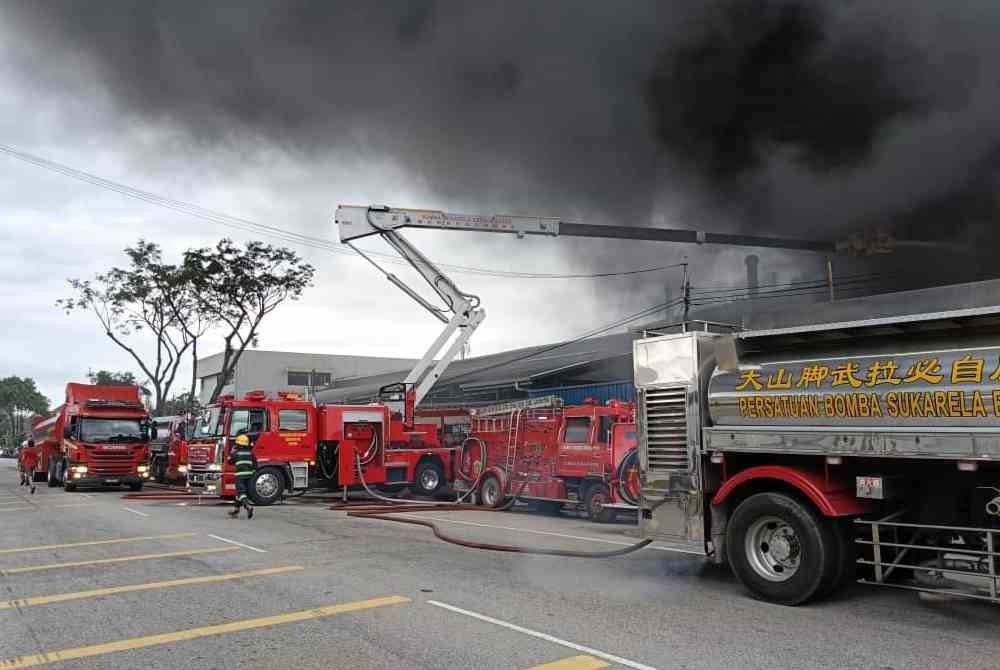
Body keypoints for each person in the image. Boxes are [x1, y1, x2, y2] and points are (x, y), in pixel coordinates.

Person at [227, 433, 257, 519]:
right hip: (249, 476)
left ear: (238, 444)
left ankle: (248, 506)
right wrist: (252, 473)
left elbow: (230, 461)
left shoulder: (237, 453)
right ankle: (236, 511)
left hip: (240, 476)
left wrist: (231, 452)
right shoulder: (251, 453)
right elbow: (255, 464)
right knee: (239, 494)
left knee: (241, 493)